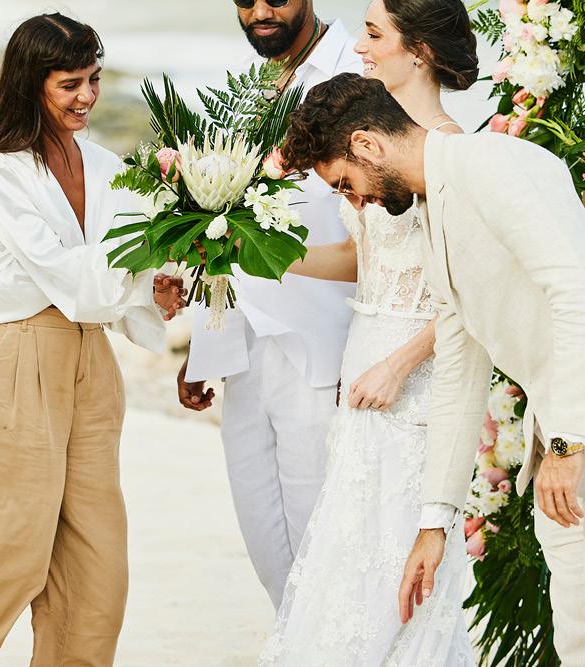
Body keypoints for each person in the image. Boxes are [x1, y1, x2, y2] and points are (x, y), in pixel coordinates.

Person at [282, 70, 585, 665]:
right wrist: (435, 522)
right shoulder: (438, 206)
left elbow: (576, 290)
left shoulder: (493, 166)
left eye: (346, 184)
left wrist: (571, 443)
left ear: (367, 145)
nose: (357, 202)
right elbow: (460, 365)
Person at [0, 13, 185, 667]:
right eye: (71, 83)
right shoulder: (1, 173)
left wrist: (155, 287)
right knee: (6, 550)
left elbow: (118, 275)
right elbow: (73, 277)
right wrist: (141, 260)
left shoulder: (105, 164)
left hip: (92, 363)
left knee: (98, 566)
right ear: (30, 84)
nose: (88, 96)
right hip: (21, 357)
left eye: (94, 79)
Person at [258, 0, 478, 663]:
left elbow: (471, 292)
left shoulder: (453, 154)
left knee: (405, 563)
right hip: (364, 365)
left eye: (374, 33)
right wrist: (265, 253)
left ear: (418, 52)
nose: (358, 45)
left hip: (417, 377)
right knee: (351, 554)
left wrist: (401, 363)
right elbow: (368, 259)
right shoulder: (372, 143)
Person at [177, 0, 360, 609]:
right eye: (244, 0)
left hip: (319, 349)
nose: (259, 11)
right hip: (242, 345)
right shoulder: (254, 83)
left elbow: (380, 231)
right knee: (264, 537)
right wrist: (204, 341)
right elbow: (223, 225)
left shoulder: (355, 73)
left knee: (320, 540)